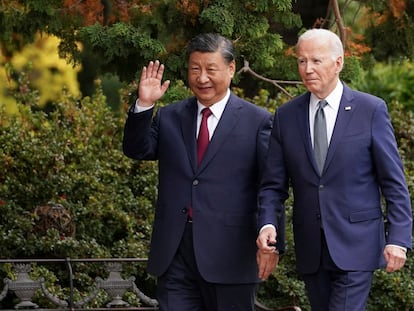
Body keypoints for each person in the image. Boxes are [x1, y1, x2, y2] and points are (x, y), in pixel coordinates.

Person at [123, 33, 282, 311]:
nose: (202, 78)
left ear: (231, 69)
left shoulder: (258, 121)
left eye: (211, 69)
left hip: (231, 254)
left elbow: (271, 185)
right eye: (195, 69)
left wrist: (271, 234)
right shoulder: (171, 116)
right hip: (175, 252)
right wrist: (145, 105)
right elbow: (137, 149)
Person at [256, 28, 412, 311]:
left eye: (316, 60)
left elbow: (394, 183)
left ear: (338, 62)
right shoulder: (286, 116)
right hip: (311, 248)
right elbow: (273, 185)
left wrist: (399, 238)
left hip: (357, 244)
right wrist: (267, 223)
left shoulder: (371, 110)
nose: (307, 68)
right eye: (302, 61)